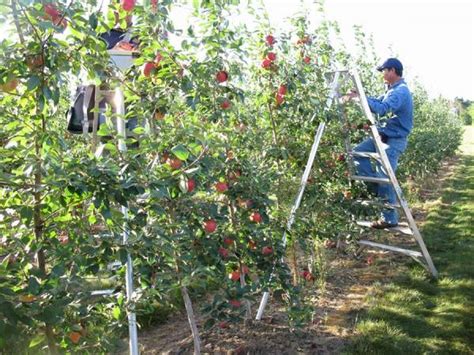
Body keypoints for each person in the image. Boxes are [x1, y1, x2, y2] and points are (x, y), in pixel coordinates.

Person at [348, 58, 413, 229]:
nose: (382, 75)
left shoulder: (400, 91)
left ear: (392, 71)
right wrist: (359, 96)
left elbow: (382, 108)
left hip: (394, 141)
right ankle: (377, 188)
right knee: (357, 153)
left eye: (384, 71)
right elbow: (377, 102)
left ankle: (389, 218)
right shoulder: (392, 89)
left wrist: (360, 97)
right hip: (382, 136)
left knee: (385, 178)